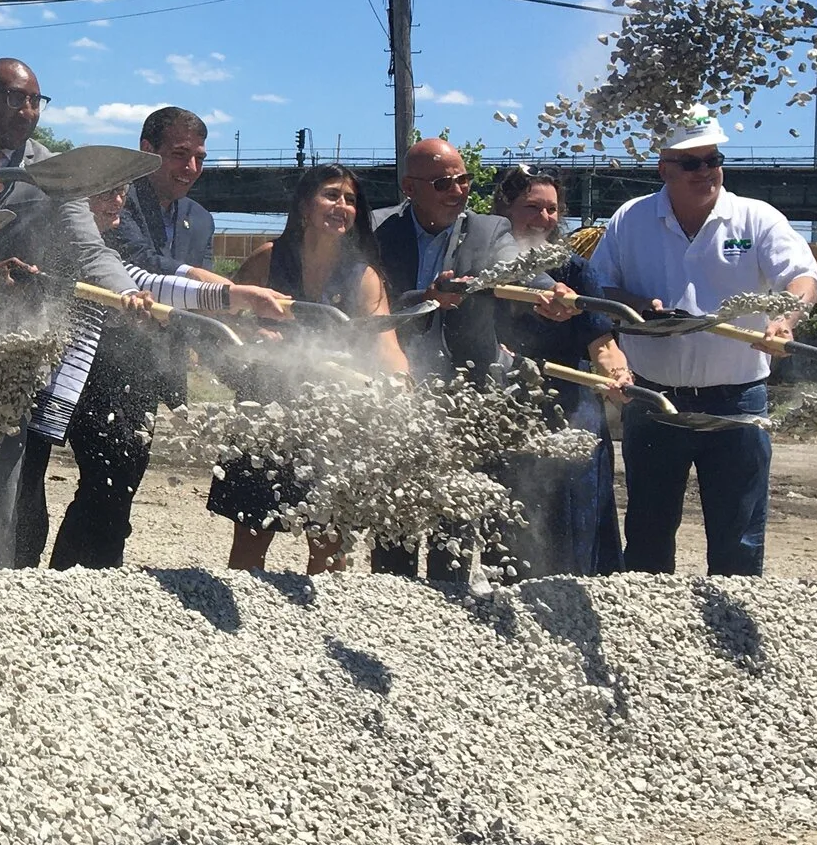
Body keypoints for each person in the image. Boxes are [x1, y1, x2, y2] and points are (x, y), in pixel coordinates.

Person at [585, 115, 817, 575]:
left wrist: (784, 320)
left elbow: (801, 277)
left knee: (740, 535)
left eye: (713, 160)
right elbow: (600, 288)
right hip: (654, 399)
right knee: (649, 531)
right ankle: (647, 625)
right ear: (664, 169)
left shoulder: (756, 218)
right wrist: (637, 306)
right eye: (692, 163)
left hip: (737, 400)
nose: (706, 171)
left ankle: (733, 628)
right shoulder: (630, 221)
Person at [0, 58, 140, 566]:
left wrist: (125, 292)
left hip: (13, 350)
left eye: (35, 100)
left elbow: (91, 247)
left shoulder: (54, 171)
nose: (28, 109)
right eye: (15, 97)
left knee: (4, 490)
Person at [40, 106, 244, 571]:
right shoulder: (118, 198)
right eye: (178, 154)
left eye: (198, 157)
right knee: (84, 480)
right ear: (146, 152)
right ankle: (61, 581)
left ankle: (92, 581)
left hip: (149, 371)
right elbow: (141, 263)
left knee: (119, 485)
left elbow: (188, 306)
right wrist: (227, 295)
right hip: (95, 360)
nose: (190, 168)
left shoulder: (200, 218)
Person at [212, 165, 411, 573]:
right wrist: (252, 339)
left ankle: (321, 622)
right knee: (251, 537)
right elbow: (228, 316)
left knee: (328, 543)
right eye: (331, 195)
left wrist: (400, 387)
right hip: (264, 414)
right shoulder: (268, 260)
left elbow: (386, 342)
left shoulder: (363, 276)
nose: (342, 206)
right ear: (305, 205)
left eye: (350, 200)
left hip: (333, 422)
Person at [367, 136, 517, 581]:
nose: (458, 191)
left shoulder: (492, 231)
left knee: (451, 518)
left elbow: (520, 269)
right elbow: (370, 302)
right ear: (410, 188)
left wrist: (549, 291)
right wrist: (425, 298)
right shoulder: (376, 230)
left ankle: (447, 602)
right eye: (443, 183)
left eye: (464, 179)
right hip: (396, 391)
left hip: (463, 397)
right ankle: (393, 604)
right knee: (393, 516)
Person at [490, 168, 626, 577]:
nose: (544, 218)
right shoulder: (482, 265)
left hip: (571, 407)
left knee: (574, 518)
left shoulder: (577, 272)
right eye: (532, 207)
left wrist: (618, 376)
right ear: (504, 210)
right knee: (512, 519)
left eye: (551, 209)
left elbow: (602, 345)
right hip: (505, 408)